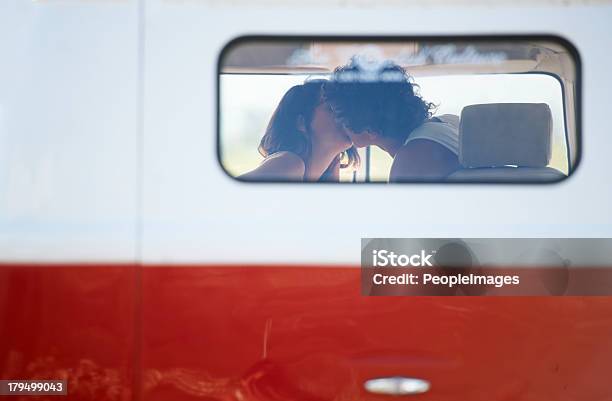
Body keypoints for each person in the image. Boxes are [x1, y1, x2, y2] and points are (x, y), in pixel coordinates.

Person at [324, 59, 461, 182]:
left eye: (340, 116)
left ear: (370, 130)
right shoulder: (445, 123)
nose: (336, 122)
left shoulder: (411, 160)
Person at [239, 80, 359, 182]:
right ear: (301, 123)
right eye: (331, 108)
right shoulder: (289, 164)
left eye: (342, 109)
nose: (343, 115)